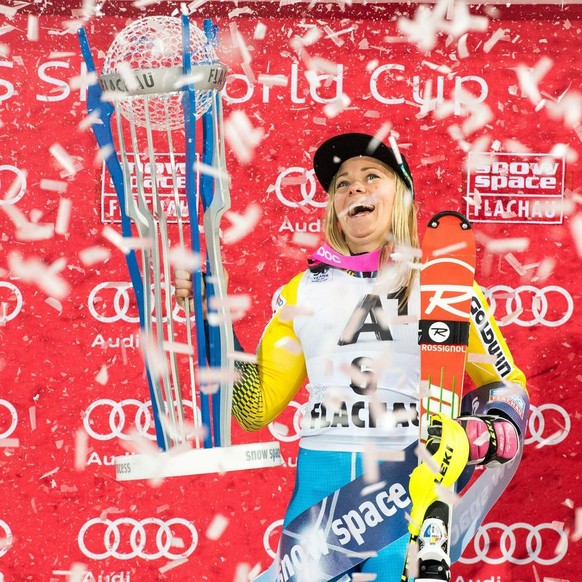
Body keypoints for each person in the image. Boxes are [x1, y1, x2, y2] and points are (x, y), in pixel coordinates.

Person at [174, 132, 529, 581]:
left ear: (402, 196)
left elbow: (506, 384)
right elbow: (252, 407)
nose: (354, 188)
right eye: (341, 183)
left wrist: (493, 429)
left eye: (372, 177)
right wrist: (212, 319)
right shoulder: (301, 291)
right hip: (321, 490)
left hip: (406, 484)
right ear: (333, 208)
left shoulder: (445, 283)